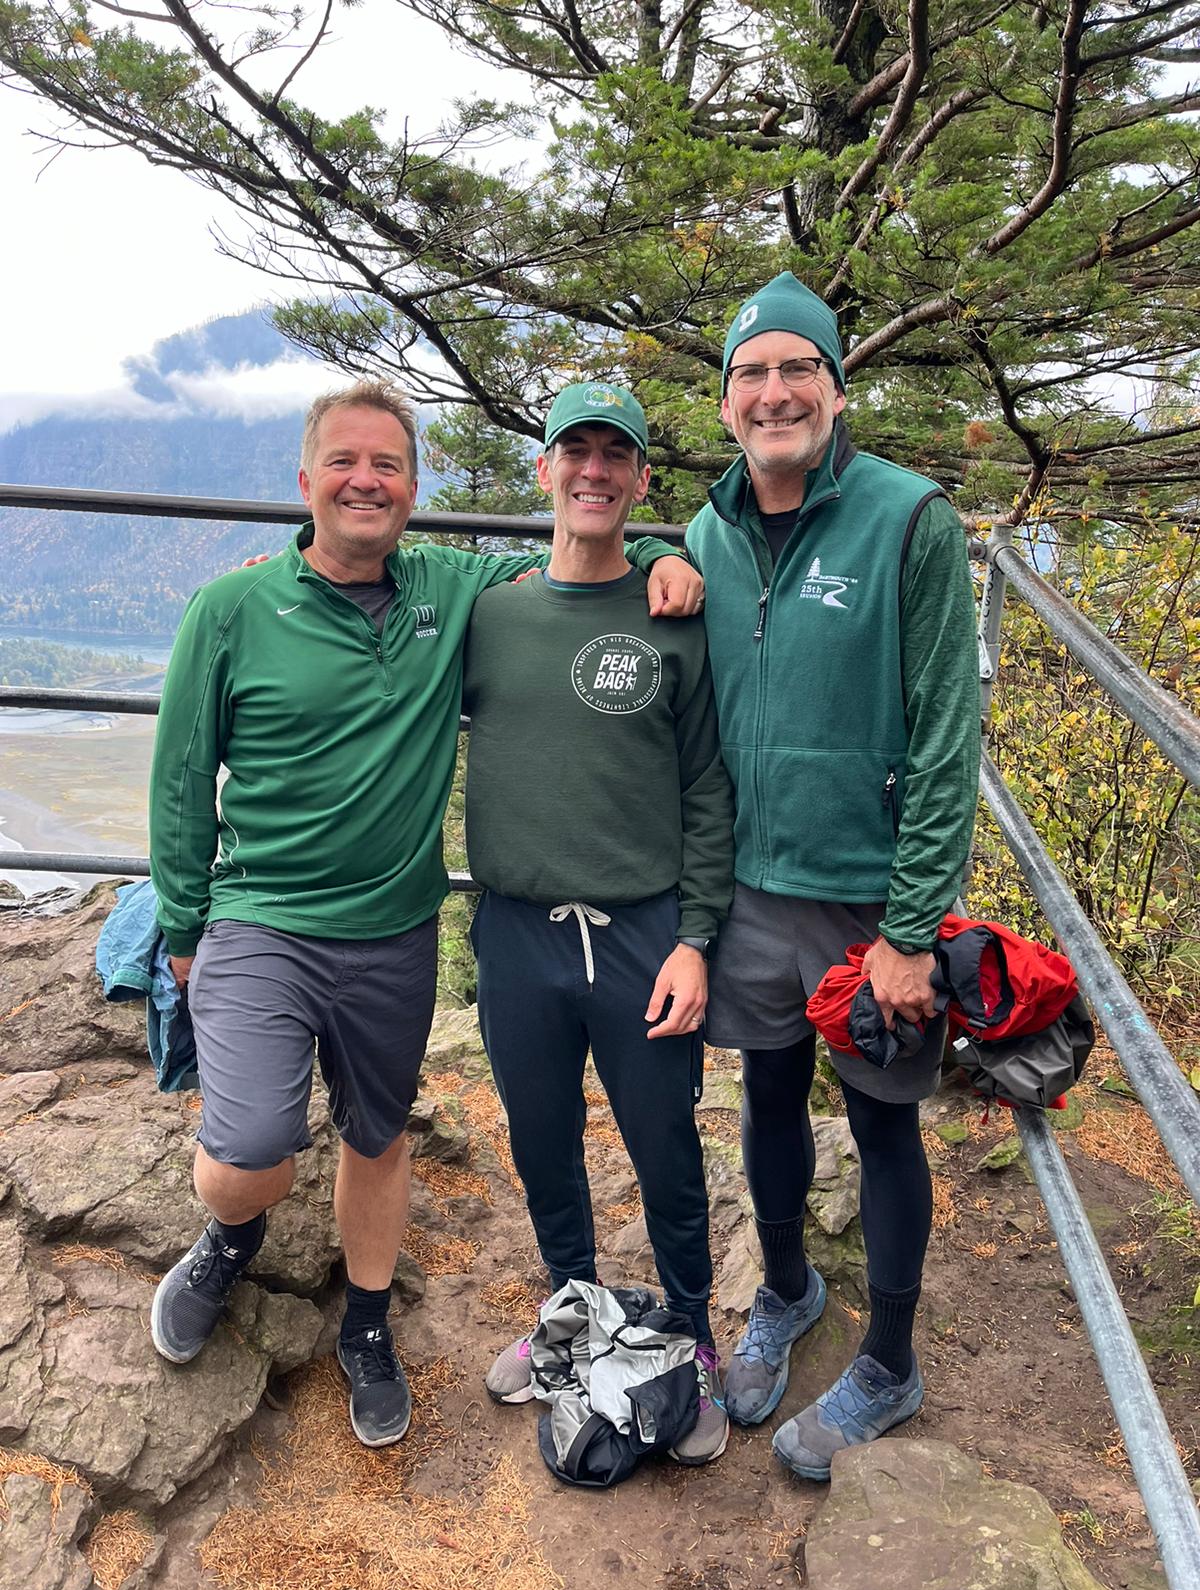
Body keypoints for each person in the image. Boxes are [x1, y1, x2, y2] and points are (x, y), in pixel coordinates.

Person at [146, 379, 701, 1449]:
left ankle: (366, 1324)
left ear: (413, 488)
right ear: (306, 481)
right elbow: (181, 782)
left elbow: (579, 562)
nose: (367, 480)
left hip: (396, 925)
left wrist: (682, 555)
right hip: (262, 915)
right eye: (345, 463)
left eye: (389, 465)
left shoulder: (455, 588)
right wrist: (181, 930)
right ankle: (231, 1231)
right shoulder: (231, 609)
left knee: (378, 1133)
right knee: (252, 1145)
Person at [687, 273, 980, 1478]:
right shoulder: (704, 532)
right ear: (725, 405)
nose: (775, 392)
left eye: (797, 367)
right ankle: (791, 1291)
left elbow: (947, 733)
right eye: (752, 373)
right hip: (754, 884)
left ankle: (891, 1362)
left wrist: (913, 928)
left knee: (881, 1121)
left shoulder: (912, 521)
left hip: (869, 902)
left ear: (837, 386)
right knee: (765, 1099)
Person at [462, 382, 735, 1467]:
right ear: (545, 471)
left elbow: (710, 787)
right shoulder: (492, 612)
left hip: (643, 933)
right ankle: (571, 1306)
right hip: (517, 931)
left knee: (665, 1144)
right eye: (573, 450)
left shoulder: (677, 614)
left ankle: (693, 1336)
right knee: (542, 1141)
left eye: (614, 455)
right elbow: (378, 576)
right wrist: (289, 544)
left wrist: (696, 936)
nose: (592, 470)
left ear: (638, 482)